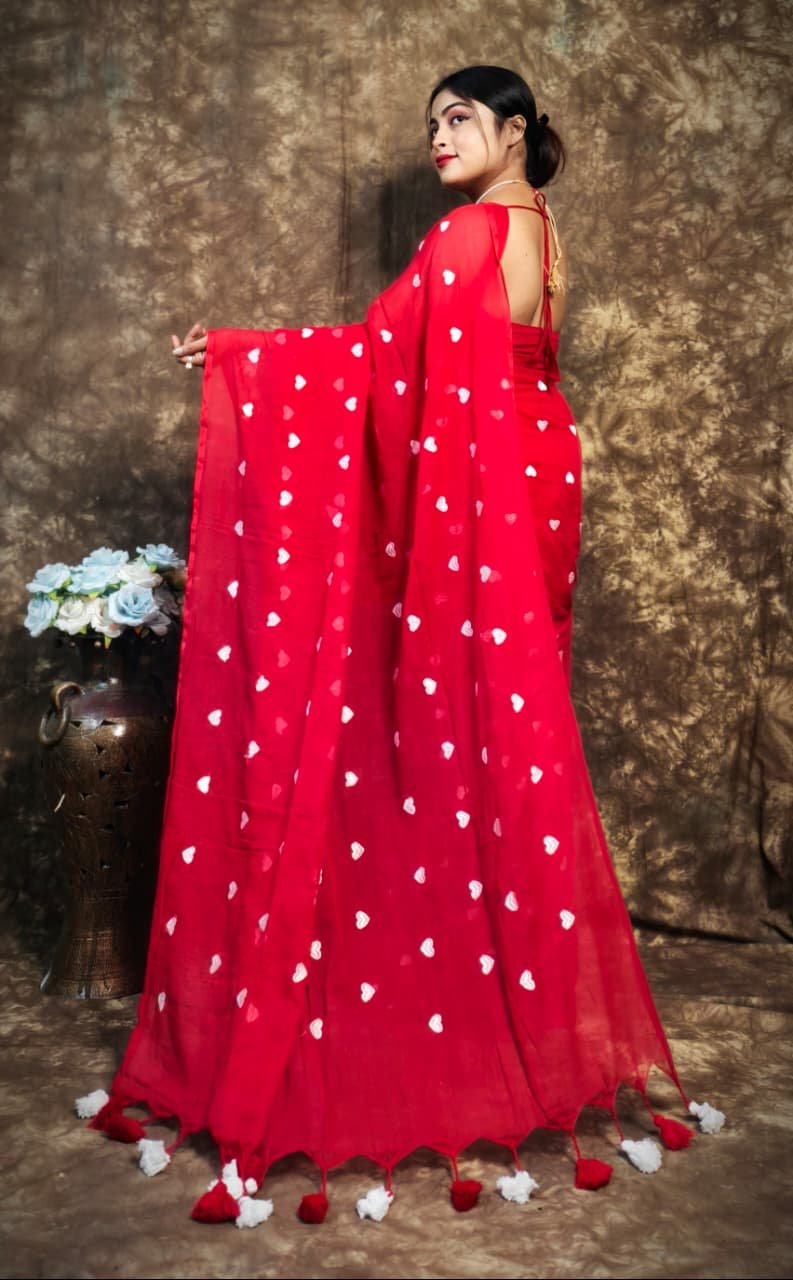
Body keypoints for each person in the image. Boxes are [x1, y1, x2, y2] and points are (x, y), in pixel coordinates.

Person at [77, 65, 723, 1226]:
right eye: (431, 123)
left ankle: (440, 1013)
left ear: (514, 129)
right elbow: (456, 368)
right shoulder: (543, 234)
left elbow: (378, 361)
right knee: (502, 741)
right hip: (539, 472)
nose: (438, 137)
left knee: (420, 734)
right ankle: (499, 1001)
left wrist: (246, 357)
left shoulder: (472, 232)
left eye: (459, 118)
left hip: (489, 494)